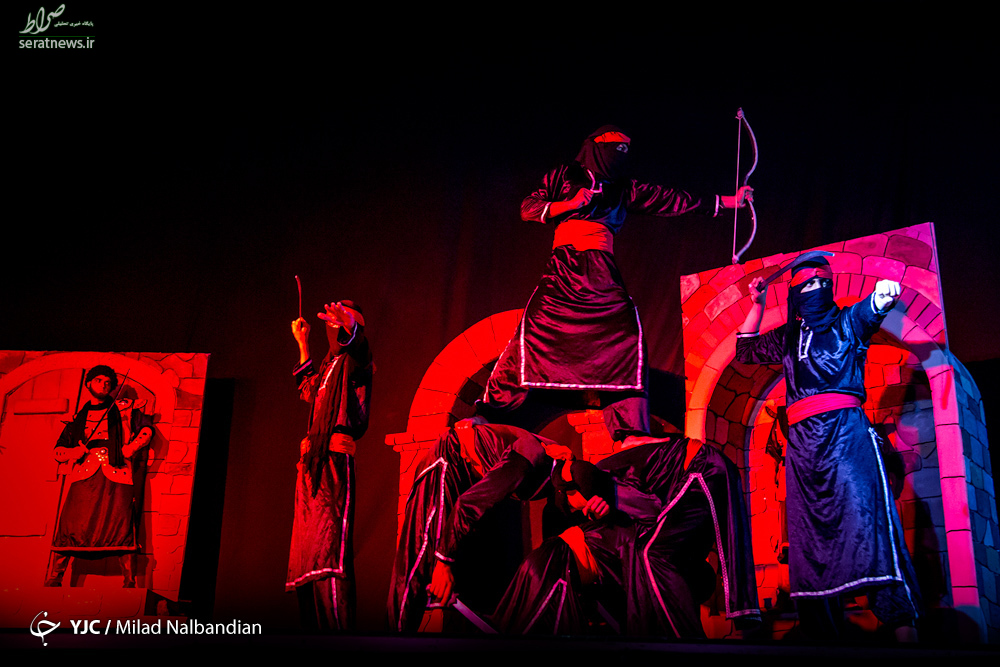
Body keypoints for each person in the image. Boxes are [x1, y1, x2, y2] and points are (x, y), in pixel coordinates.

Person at [478, 125, 752, 441]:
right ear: (596, 146)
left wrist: (729, 201)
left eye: (625, 149)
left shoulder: (622, 188)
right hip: (564, 269)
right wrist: (569, 204)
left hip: (601, 271)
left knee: (627, 340)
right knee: (532, 334)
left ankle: (630, 429)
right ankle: (488, 412)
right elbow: (528, 208)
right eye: (614, 146)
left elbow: (669, 199)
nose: (620, 153)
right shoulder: (564, 176)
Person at [735, 254, 919, 640]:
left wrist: (881, 298)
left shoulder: (846, 322)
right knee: (811, 542)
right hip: (803, 450)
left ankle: (904, 631)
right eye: (806, 286)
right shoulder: (789, 337)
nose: (814, 290)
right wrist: (757, 304)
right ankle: (823, 639)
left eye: (821, 283)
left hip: (846, 438)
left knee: (868, 529)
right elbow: (745, 351)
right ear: (795, 295)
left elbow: (869, 313)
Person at [491, 435, 760, 637]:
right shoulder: (605, 488)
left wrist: (611, 501)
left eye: (578, 505)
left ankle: (687, 642)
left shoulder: (599, 480)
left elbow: (651, 511)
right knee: (651, 552)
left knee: (651, 552)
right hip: (552, 562)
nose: (585, 511)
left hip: (702, 466)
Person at [388, 421, 586, 632]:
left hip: (467, 473)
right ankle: (395, 637)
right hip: (449, 459)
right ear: (574, 488)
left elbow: (554, 543)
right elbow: (469, 504)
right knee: (421, 553)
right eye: (585, 506)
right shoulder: (531, 458)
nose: (583, 511)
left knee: (458, 563)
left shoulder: (557, 478)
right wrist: (443, 561)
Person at [287, 300, 374, 631]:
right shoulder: (328, 366)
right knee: (306, 555)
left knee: (330, 550)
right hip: (311, 462)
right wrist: (302, 344)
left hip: (334, 460)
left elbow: (360, 348)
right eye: (332, 324)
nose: (335, 328)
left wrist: (351, 326)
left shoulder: (356, 363)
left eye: (343, 323)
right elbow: (308, 390)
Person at [46, 365, 153, 587]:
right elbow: (58, 450)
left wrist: (131, 448)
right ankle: (55, 577)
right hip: (83, 474)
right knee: (72, 524)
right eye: (98, 380)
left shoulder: (126, 411)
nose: (104, 385)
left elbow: (146, 430)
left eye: (107, 382)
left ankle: (129, 581)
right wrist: (73, 453)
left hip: (117, 472)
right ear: (88, 384)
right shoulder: (78, 418)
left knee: (121, 523)